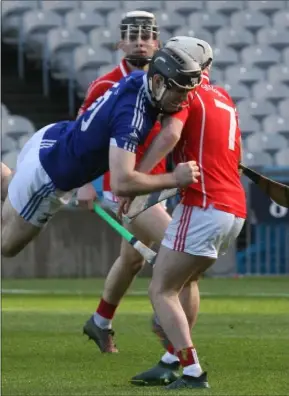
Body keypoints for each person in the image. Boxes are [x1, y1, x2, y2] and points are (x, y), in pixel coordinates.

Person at [1, 43, 202, 259]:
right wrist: (175, 178)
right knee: (7, 246)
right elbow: (121, 183)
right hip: (47, 176)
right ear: (158, 81)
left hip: (51, 139)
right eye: (179, 91)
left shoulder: (139, 80)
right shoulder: (132, 117)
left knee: (8, 185)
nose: (184, 99)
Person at [127, 36, 247, 389]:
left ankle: (193, 370)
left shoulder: (187, 94)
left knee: (161, 290)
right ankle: (170, 361)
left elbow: (169, 137)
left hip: (204, 206)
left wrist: (138, 179)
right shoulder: (224, 98)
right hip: (233, 211)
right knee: (184, 282)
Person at [79, 12, 196, 355]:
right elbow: (81, 135)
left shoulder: (170, 80)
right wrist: (85, 184)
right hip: (123, 185)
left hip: (156, 183)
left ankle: (100, 321)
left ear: (157, 43)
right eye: (132, 36)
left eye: (146, 36)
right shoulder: (105, 83)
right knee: (181, 251)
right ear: (120, 42)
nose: (140, 41)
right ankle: (177, 343)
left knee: (132, 260)